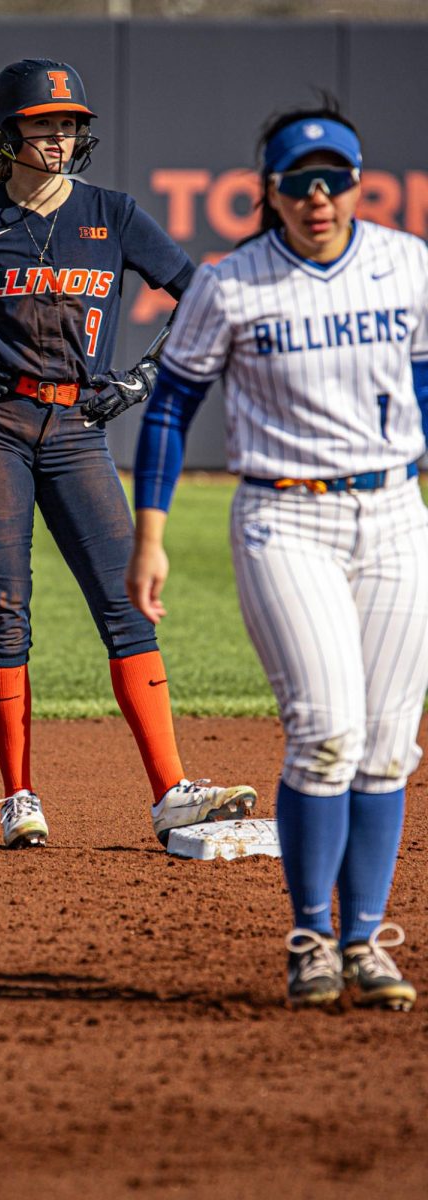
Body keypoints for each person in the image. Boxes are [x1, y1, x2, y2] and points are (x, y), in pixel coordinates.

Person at [0, 57, 256, 850]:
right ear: (7, 135)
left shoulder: (112, 212)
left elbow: (202, 295)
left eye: (71, 124)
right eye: (44, 124)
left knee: (125, 605)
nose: (62, 137)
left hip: (78, 432)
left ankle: (172, 793)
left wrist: (141, 376)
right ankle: (19, 797)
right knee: (6, 612)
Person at [129, 100, 428, 1010]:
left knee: (386, 749)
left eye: (335, 178)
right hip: (284, 518)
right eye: (300, 184)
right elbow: (173, 405)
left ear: (357, 182)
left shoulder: (406, 265)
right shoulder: (233, 283)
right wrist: (151, 532)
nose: (320, 197)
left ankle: (364, 939)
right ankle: (309, 935)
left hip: (393, 515)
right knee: (326, 731)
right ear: (271, 194)